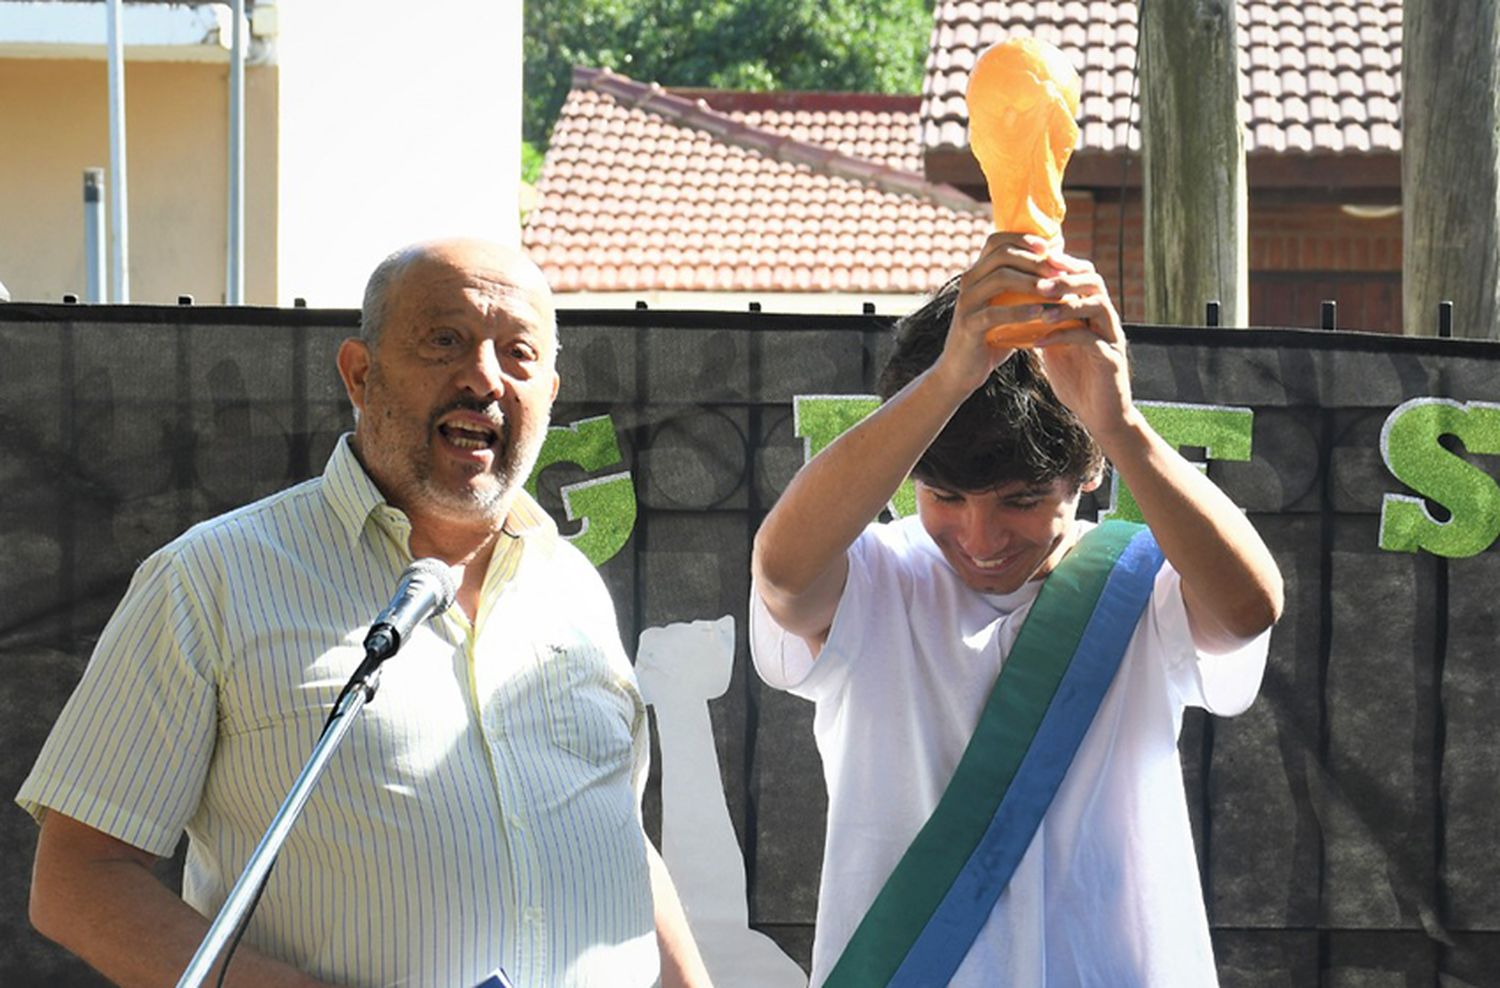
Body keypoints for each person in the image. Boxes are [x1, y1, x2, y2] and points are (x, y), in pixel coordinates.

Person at [18, 239, 711, 988]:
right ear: (360, 372)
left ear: (550, 391)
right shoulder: (210, 579)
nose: (484, 378)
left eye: (519, 355)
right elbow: (79, 881)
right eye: (444, 340)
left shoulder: (573, 588)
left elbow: (617, 839)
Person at [750, 232, 1284, 986]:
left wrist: (1120, 422)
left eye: (1024, 500)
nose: (981, 537)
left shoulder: (1146, 588)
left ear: (1087, 474)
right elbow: (782, 575)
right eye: (944, 497)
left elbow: (1248, 609)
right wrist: (946, 382)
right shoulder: (877, 578)